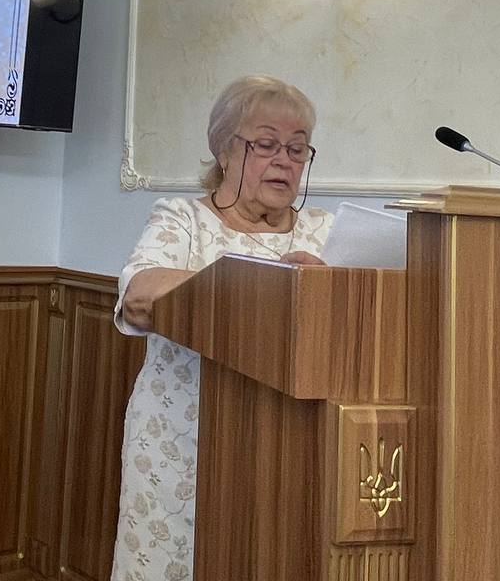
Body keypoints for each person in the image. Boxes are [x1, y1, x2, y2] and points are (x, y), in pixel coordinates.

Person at [109, 75, 334, 581]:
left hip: (289, 446)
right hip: (182, 443)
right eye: (266, 144)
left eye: (297, 149)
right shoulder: (183, 219)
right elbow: (139, 296)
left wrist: (330, 288)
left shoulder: (324, 232)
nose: (284, 161)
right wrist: (264, 286)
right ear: (224, 150)